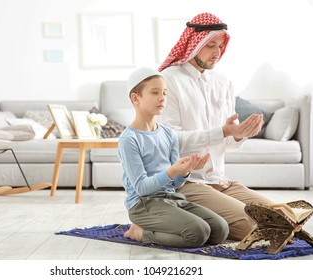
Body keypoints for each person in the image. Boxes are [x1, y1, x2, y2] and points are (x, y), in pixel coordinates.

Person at [158, 12, 274, 241]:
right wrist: (223, 131)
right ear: (194, 43)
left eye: (221, 46)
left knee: (282, 216)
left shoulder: (223, 83)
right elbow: (171, 141)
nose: (217, 52)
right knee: (255, 227)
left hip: (220, 180)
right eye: (210, 45)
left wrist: (240, 135)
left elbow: (227, 143)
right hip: (187, 182)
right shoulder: (168, 80)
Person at [117, 67, 229, 248]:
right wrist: (172, 170)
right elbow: (142, 188)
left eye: (164, 93)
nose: (162, 98)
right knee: (197, 233)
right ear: (135, 98)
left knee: (220, 230)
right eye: (155, 93)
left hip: (172, 199)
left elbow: (175, 184)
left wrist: (185, 172)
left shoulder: (169, 134)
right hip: (143, 204)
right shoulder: (129, 140)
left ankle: (167, 224)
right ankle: (140, 232)